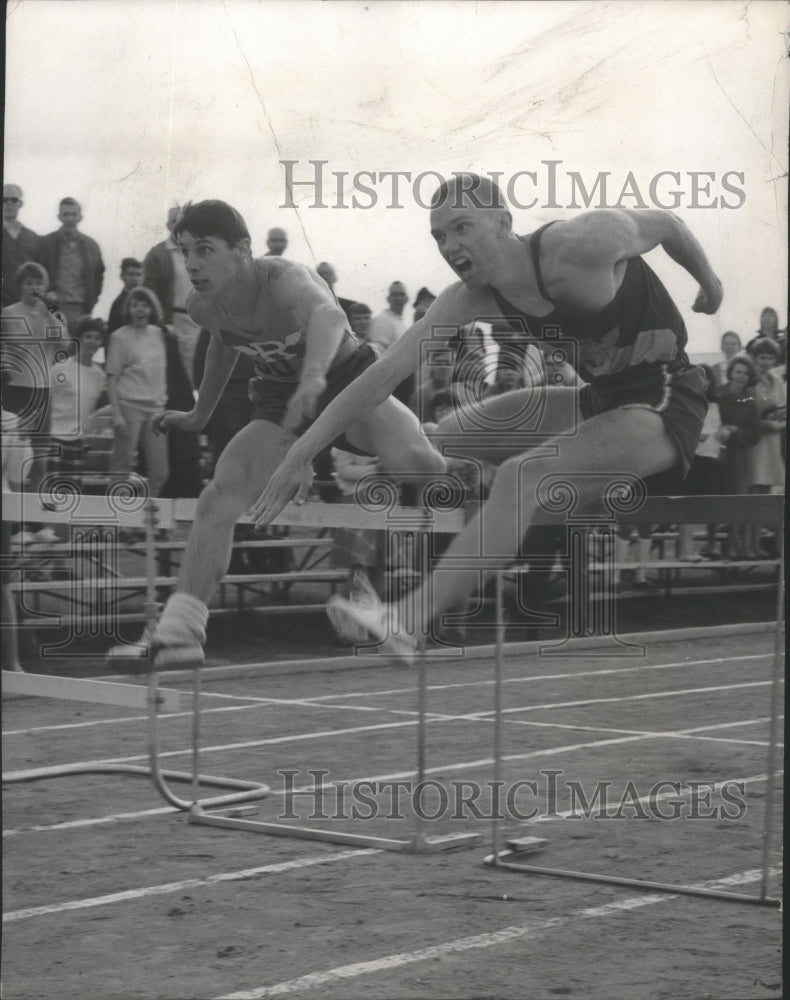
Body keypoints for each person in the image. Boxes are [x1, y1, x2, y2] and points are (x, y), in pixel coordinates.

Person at [254, 174, 722, 660]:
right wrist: (303, 451)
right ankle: (473, 513)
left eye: (461, 228)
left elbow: (667, 223)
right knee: (438, 435)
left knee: (524, 477)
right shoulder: (467, 299)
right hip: (597, 397)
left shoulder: (581, 244)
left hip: (666, 396)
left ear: (503, 222)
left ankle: (405, 621)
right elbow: (385, 371)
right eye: (439, 236)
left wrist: (709, 283)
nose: (450, 246)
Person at [125, 200, 443, 666]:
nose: (192, 264)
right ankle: (181, 629)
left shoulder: (285, 279)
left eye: (206, 250)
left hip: (346, 381)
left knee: (423, 466)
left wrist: (314, 375)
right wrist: (198, 414)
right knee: (222, 493)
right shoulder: (202, 305)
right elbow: (220, 348)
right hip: (281, 400)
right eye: (186, 250)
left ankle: (441, 433)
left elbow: (330, 317)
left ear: (243, 250)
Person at [105, 287, 173, 498]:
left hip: (156, 410)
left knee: (161, 471)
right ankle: (118, 522)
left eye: (144, 304)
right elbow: (111, 378)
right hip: (128, 407)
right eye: (135, 305)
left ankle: (147, 521)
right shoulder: (119, 337)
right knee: (121, 468)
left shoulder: (161, 334)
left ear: (152, 308)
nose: (140, 309)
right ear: (129, 309)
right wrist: (117, 415)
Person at [144, 206, 202, 381]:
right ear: (168, 226)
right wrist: (160, 323)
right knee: (173, 377)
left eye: (182, 221)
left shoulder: (199, 251)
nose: (179, 226)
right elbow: (149, 293)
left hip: (199, 322)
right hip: (172, 322)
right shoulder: (158, 254)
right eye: (174, 221)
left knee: (197, 374)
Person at [47, 316, 106, 476]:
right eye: (88, 336)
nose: (92, 341)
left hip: (78, 441)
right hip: (54, 439)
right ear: (79, 338)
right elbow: (45, 402)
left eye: (97, 338)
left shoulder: (100, 375)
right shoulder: (60, 368)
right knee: (51, 491)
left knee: (73, 492)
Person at [36, 197, 105, 333]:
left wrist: (91, 299)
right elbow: (38, 273)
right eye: (65, 214)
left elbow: (99, 276)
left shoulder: (91, 246)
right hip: (53, 307)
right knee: (54, 350)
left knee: (76, 349)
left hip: (81, 308)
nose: (69, 218)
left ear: (80, 217)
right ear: (59, 217)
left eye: (73, 214)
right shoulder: (46, 243)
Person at [717, 355, 760, 559]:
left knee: (738, 500)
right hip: (717, 454)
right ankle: (719, 546)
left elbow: (755, 433)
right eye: (737, 371)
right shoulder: (719, 395)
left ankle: (739, 546)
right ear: (731, 373)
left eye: (745, 373)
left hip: (739, 457)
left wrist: (735, 431)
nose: (741, 376)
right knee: (719, 500)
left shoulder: (751, 402)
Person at [2, 184, 40, 307]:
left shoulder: (33, 237)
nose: (8, 203)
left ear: (20, 204)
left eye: (13, 200)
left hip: (26, 305)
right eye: (4, 200)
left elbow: (38, 273)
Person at [368, 281, 409, 354]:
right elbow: (378, 353)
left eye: (402, 295)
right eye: (395, 295)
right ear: (388, 299)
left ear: (407, 299)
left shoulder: (402, 324)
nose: (399, 298)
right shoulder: (382, 320)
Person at [107, 258, 144, 336]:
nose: (135, 279)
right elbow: (112, 333)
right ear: (122, 277)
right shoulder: (118, 303)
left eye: (138, 275)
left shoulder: (147, 301)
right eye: (130, 274)